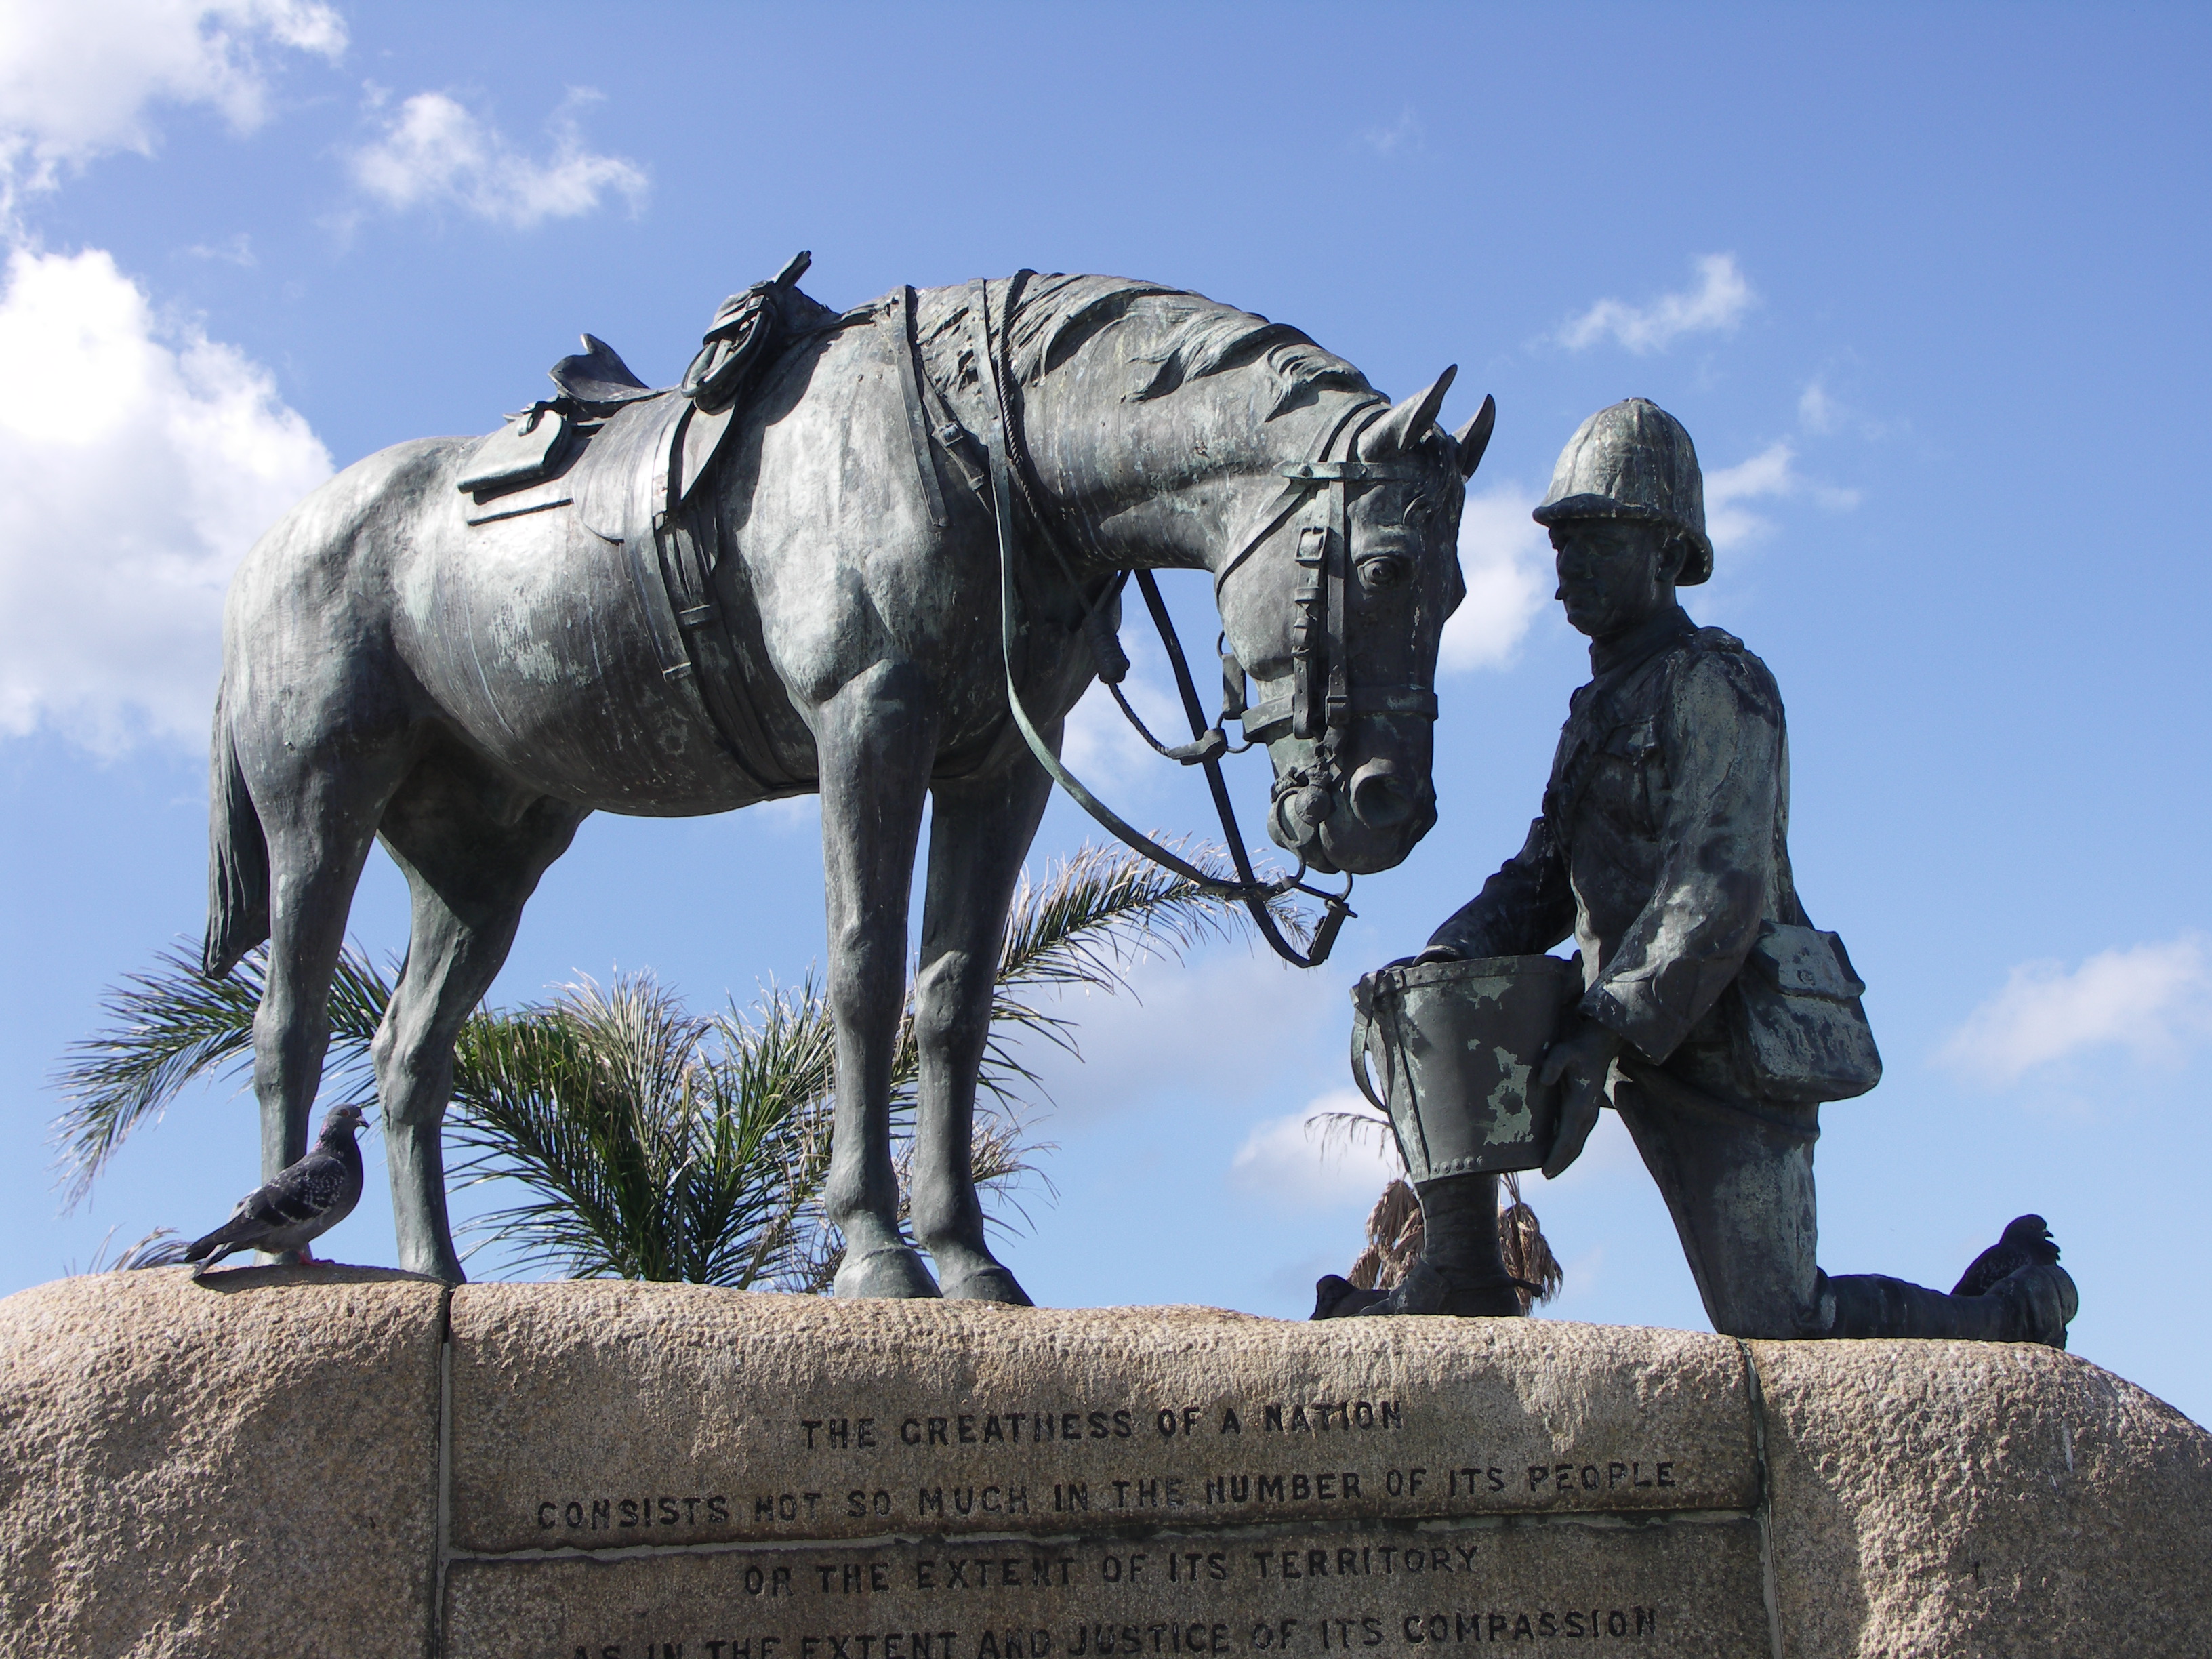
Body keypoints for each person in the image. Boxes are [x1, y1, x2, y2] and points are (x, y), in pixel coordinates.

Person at [1317, 398, 2076, 1345]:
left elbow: (1716, 891)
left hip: (1725, 1040)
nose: (1569, 573)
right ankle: (1459, 1270)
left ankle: (2008, 1312)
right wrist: (1450, 952)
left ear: (1670, 555)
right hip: (1619, 1028)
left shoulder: (1718, 682)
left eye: (1598, 542)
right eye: (1563, 546)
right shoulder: (1597, 707)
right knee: (1425, 998)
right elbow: (1546, 873)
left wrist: (1600, 1033)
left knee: (1779, 1320)